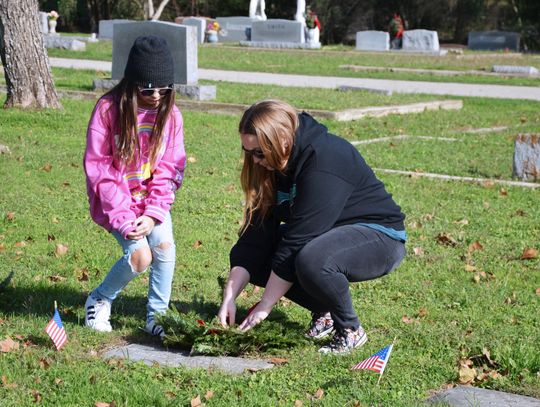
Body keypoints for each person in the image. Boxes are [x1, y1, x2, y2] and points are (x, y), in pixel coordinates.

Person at [217, 100, 406, 354]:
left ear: (282, 140)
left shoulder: (323, 159)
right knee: (260, 257)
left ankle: (350, 330)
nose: (255, 160)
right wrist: (229, 298)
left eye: (260, 152)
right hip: (325, 233)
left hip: (380, 237)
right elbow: (255, 236)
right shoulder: (271, 164)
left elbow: (298, 240)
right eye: (248, 151)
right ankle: (324, 312)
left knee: (313, 259)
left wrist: (265, 306)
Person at [83, 36, 186, 338]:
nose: (156, 96)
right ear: (131, 84)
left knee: (164, 248)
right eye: (148, 89)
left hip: (151, 204)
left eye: (164, 88)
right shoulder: (107, 111)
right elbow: (100, 169)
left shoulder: (171, 116)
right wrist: (125, 218)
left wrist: (154, 213)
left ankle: (157, 318)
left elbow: (171, 167)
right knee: (141, 256)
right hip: (118, 204)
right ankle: (100, 299)